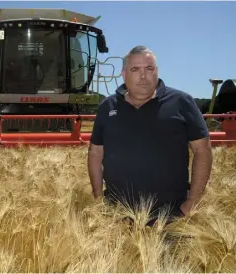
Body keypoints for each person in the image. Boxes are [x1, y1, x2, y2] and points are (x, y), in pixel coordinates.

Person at [87, 46, 213, 226]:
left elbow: (203, 150)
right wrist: (99, 200)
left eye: (149, 68)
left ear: (157, 71)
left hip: (170, 217)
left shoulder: (181, 102)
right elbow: (95, 152)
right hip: (116, 217)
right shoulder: (107, 107)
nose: (143, 75)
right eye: (135, 69)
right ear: (124, 74)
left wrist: (192, 202)